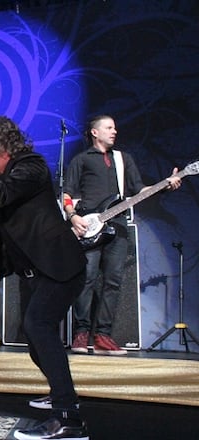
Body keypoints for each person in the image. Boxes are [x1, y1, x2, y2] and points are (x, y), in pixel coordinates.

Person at [0, 115, 89, 440]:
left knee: (39, 326)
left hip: (60, 264)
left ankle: (68, 420)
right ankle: (60, 390)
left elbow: (0, 196)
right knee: (35, 337)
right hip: (34, 269)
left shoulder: (30, 166)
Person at [63, 114, 182, 356]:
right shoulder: (81, 160)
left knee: (113, 282)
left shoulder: (123, 159)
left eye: (115, 128)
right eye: (108, 127)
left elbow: (139, 191)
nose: (114, 131)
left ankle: (103, 336)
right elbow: (67, 192)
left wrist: (165, 185)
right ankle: (81, 333)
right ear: (94, 132)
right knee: (87, 278)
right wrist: (73, 216)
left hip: (117, 226)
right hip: (89, 226)